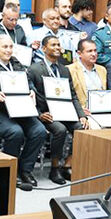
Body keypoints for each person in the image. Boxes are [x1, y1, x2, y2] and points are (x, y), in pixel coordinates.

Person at [0, 34, 49, 187]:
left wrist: (32, 90)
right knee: (15, 132)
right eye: (4, 47)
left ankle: (25, 169)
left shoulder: (18, 64)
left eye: (11, 47)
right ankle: (9, 171)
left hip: (20, 108)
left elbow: (28, 83)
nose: (8, 50)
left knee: (39, 131)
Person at [27, 36, 88, 184]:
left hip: (66, 111)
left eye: (59, 45)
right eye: (53, 45)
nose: (57, 48)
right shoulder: (34, 69)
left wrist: (82, 115)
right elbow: (29, 96)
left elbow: (73, 94)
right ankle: (54, 168)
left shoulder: (64, 70)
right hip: (47, 114)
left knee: (82, 128)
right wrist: (40, 115)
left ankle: (67, 165)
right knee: (59, 130)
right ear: (44, 49)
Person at [68, 39, 111, 117]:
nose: (94, 54)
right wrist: (80, 110)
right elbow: (69, 96)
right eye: (89, 51)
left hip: (103, 111)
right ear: (79, 53)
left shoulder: (102, 70)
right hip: (83, 112)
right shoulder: (70, 70)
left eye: (95, 51)